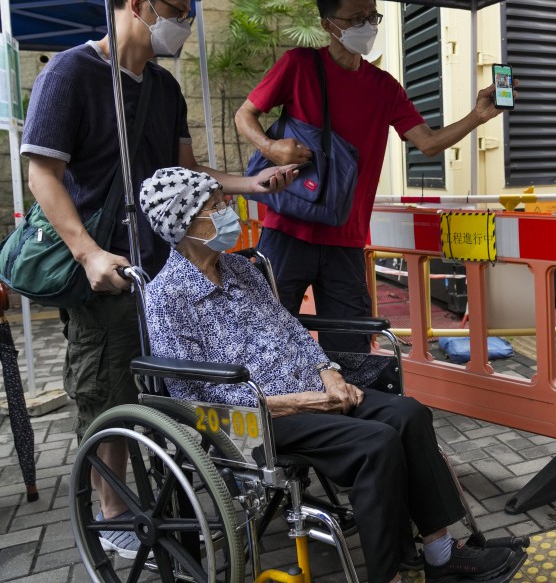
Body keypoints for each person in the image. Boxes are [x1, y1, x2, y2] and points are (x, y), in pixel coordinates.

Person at [19, 0, 297, 559]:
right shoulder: (71, 73)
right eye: (177, 12)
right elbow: (42, 173)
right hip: (106, 269)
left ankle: (186, 488)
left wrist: (253, 184)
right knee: (109, 385)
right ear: (138, 2)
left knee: (173, 383)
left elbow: (186, 173)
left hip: (166, 268)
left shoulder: (165, 89)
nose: (183, 23)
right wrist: (88, 252)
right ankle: (113, 508)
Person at [138, 167, 526, 583]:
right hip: (256, 419)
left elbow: (291, 328)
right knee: (375, 443)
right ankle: (388, 573)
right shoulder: (167, 298)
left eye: (224, 201)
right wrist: (298, 403)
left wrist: (329, 373)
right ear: (184, 224)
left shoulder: (241, 270)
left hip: (311, 391)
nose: (227, 210)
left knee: (409, 413)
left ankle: (441, 554)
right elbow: (195, 397)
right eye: (215, 206)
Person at [234, 0, 515, 354]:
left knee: (351, 346)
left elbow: (428, 142)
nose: (366, 26)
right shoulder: (298, 65)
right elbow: (245, 115)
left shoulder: (384, 87)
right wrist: (273, 149)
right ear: (327, 24)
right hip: (287, 230)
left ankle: (346, 409)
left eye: (372, 17)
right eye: (355, 19)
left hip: (345, 237)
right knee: (270, 339)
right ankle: (281, 410)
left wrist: (477, 117)